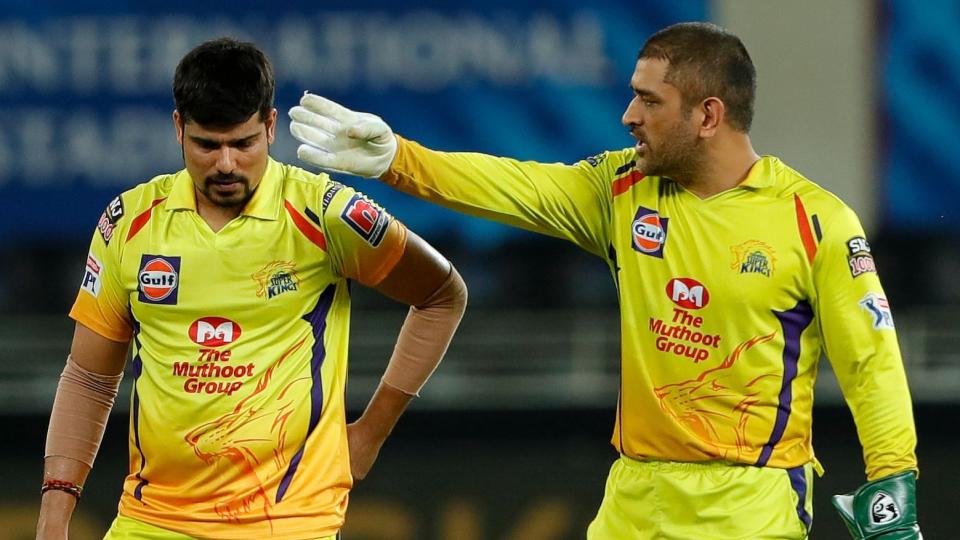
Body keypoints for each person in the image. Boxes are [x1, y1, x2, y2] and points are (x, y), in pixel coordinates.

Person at [288, 21, 921, 540]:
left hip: (749, 505)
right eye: (633, 95)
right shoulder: (621, 191)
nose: (627, 115)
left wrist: (893, 478)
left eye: (649, 100)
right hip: (632, 498)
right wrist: (398, 159)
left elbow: (871, 361)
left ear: (708, 115)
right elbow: (515, 187)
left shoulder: (815, 221)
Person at [36, 37, 467, 540]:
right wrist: (53, 513)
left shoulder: (325, 215)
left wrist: (368, 435)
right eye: (207, 144)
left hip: (287, 524)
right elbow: (89, 376)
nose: (225, 164)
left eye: (243, 144)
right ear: (179, 128)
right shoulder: (129, 222)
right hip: (150, 521)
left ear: (270, 126)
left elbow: (441, 295)